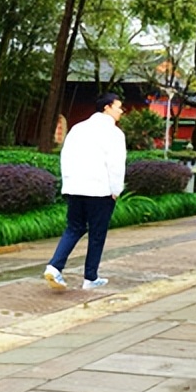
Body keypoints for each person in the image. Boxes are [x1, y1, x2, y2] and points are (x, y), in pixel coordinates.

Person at [43, 93, 126, 290]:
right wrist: (116, 189)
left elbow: (66, 157)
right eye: (118, 107)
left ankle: (54, 266)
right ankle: (90, 278)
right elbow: (115, 164)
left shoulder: (78, 129)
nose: (121, 111)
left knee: (74, 227)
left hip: (75, 188)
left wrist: (68, 183)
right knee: (97, 234)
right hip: (100, 190)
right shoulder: (114, 134)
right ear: (106, 107)